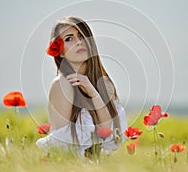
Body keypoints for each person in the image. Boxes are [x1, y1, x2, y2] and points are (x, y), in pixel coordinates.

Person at [36, 16, 127, 157]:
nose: (79, 42)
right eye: (69, 39)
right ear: (60, 51)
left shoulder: (105, 83)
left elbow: (108, 132)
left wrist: (94, 94)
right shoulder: (62, 84)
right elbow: (63, 147)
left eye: (81, 36)